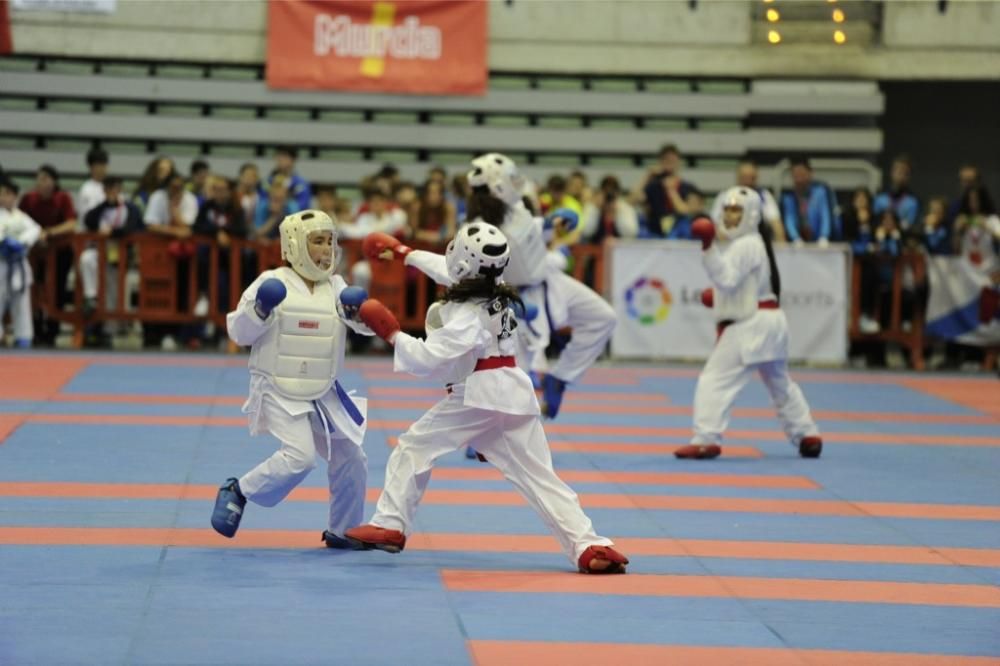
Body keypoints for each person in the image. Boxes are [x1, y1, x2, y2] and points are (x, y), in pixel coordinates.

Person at [345, 221, 629, 575]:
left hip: (480, 393)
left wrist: (391, 332)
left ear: (462, 264)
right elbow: (448, 269)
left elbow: (425, 359)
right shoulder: (491, 284)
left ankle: (391, 523)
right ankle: (589, 545)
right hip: (514, 392)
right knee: (539, 477)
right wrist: (404, 254)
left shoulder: (466, 316)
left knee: (414, 447)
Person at [361, 153, 616, 419]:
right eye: (512, 179)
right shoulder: (477, 228)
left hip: (550, 282)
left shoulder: (516, 208)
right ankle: (479, 427)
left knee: (603, 318)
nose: (518, 183)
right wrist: (406, 254)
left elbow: (528, 232)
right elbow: (456, 270)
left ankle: (561, 378)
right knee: (505, 376)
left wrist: (551, 225)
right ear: (499, 186)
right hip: (509, 298)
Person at [211, 210, 375, 548]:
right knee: (300, 458)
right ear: (294, 245)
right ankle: (238, 490)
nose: (326, 249)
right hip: (277, 387)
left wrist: (360, 313)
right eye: (317, 241)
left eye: (330, 241)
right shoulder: (271, 281)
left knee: (353, 458)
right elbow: (238, 332)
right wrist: (259, 309)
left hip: (322, 389)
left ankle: (343, 531)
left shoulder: (336, 286)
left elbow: (362, 327)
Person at [676, 186, 823, 460]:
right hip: (771, 320)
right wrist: (718, 299)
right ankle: (807, 433)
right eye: (727, 210)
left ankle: (706, 437)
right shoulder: (754, 244)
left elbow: (727, 279)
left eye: (737, 210)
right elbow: (741, 287)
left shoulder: (746, 244)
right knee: (780, 382)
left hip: (751, 324)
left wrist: (707, 247)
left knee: (715, 379)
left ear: (752, 214)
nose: (731, 216)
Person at [0, 178, 42, 348]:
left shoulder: (21, 217)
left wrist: (21, 242)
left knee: (22, 302)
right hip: (1, 263)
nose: (3, 197)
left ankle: (23, 336)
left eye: (7, 194)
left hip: (18, 265)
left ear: (15, 197)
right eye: (1, 194)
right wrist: (4, 241)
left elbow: (36, 229)